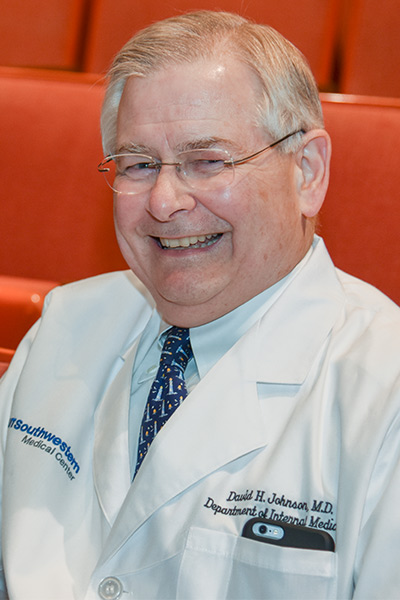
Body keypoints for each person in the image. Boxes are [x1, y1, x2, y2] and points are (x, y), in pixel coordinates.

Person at [0, 10, 400, 600]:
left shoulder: (383, 390)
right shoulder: (66, 325)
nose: (163, 201)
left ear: (308, 173)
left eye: (208, 161)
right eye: (138, 164)